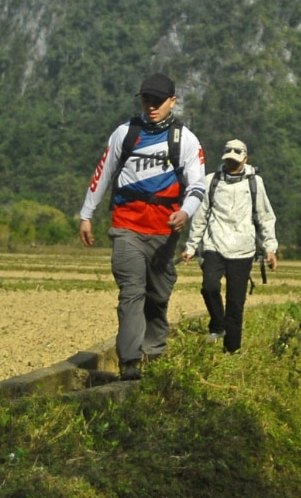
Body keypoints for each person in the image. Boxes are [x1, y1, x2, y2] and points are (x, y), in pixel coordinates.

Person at [79, 73, 206, 380]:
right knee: (131, 293)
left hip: (164, 232)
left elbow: (197, 185)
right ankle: (131, 364)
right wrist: (86, 214)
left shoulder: (185, 140)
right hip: (127, 227)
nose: (151, 107)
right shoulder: (124, 134)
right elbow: (103, 172)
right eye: (146, 100)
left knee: (158, 296)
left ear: (172, 102)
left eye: (158, 102)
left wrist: (186, 213)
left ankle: (155, 352)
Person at [181, 138, 278, 353]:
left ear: (245, 159)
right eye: (229, 160)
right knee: (209, 287)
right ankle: (217, 324)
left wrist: (270, 248)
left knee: (236, 304)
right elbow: (200, 216)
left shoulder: (255, 183)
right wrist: (190, 247)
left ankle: (231, 352)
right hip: (214, 245)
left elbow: (265, 216)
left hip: (243, 250)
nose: (232, 164)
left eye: (236, 160)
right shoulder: (210, 181)